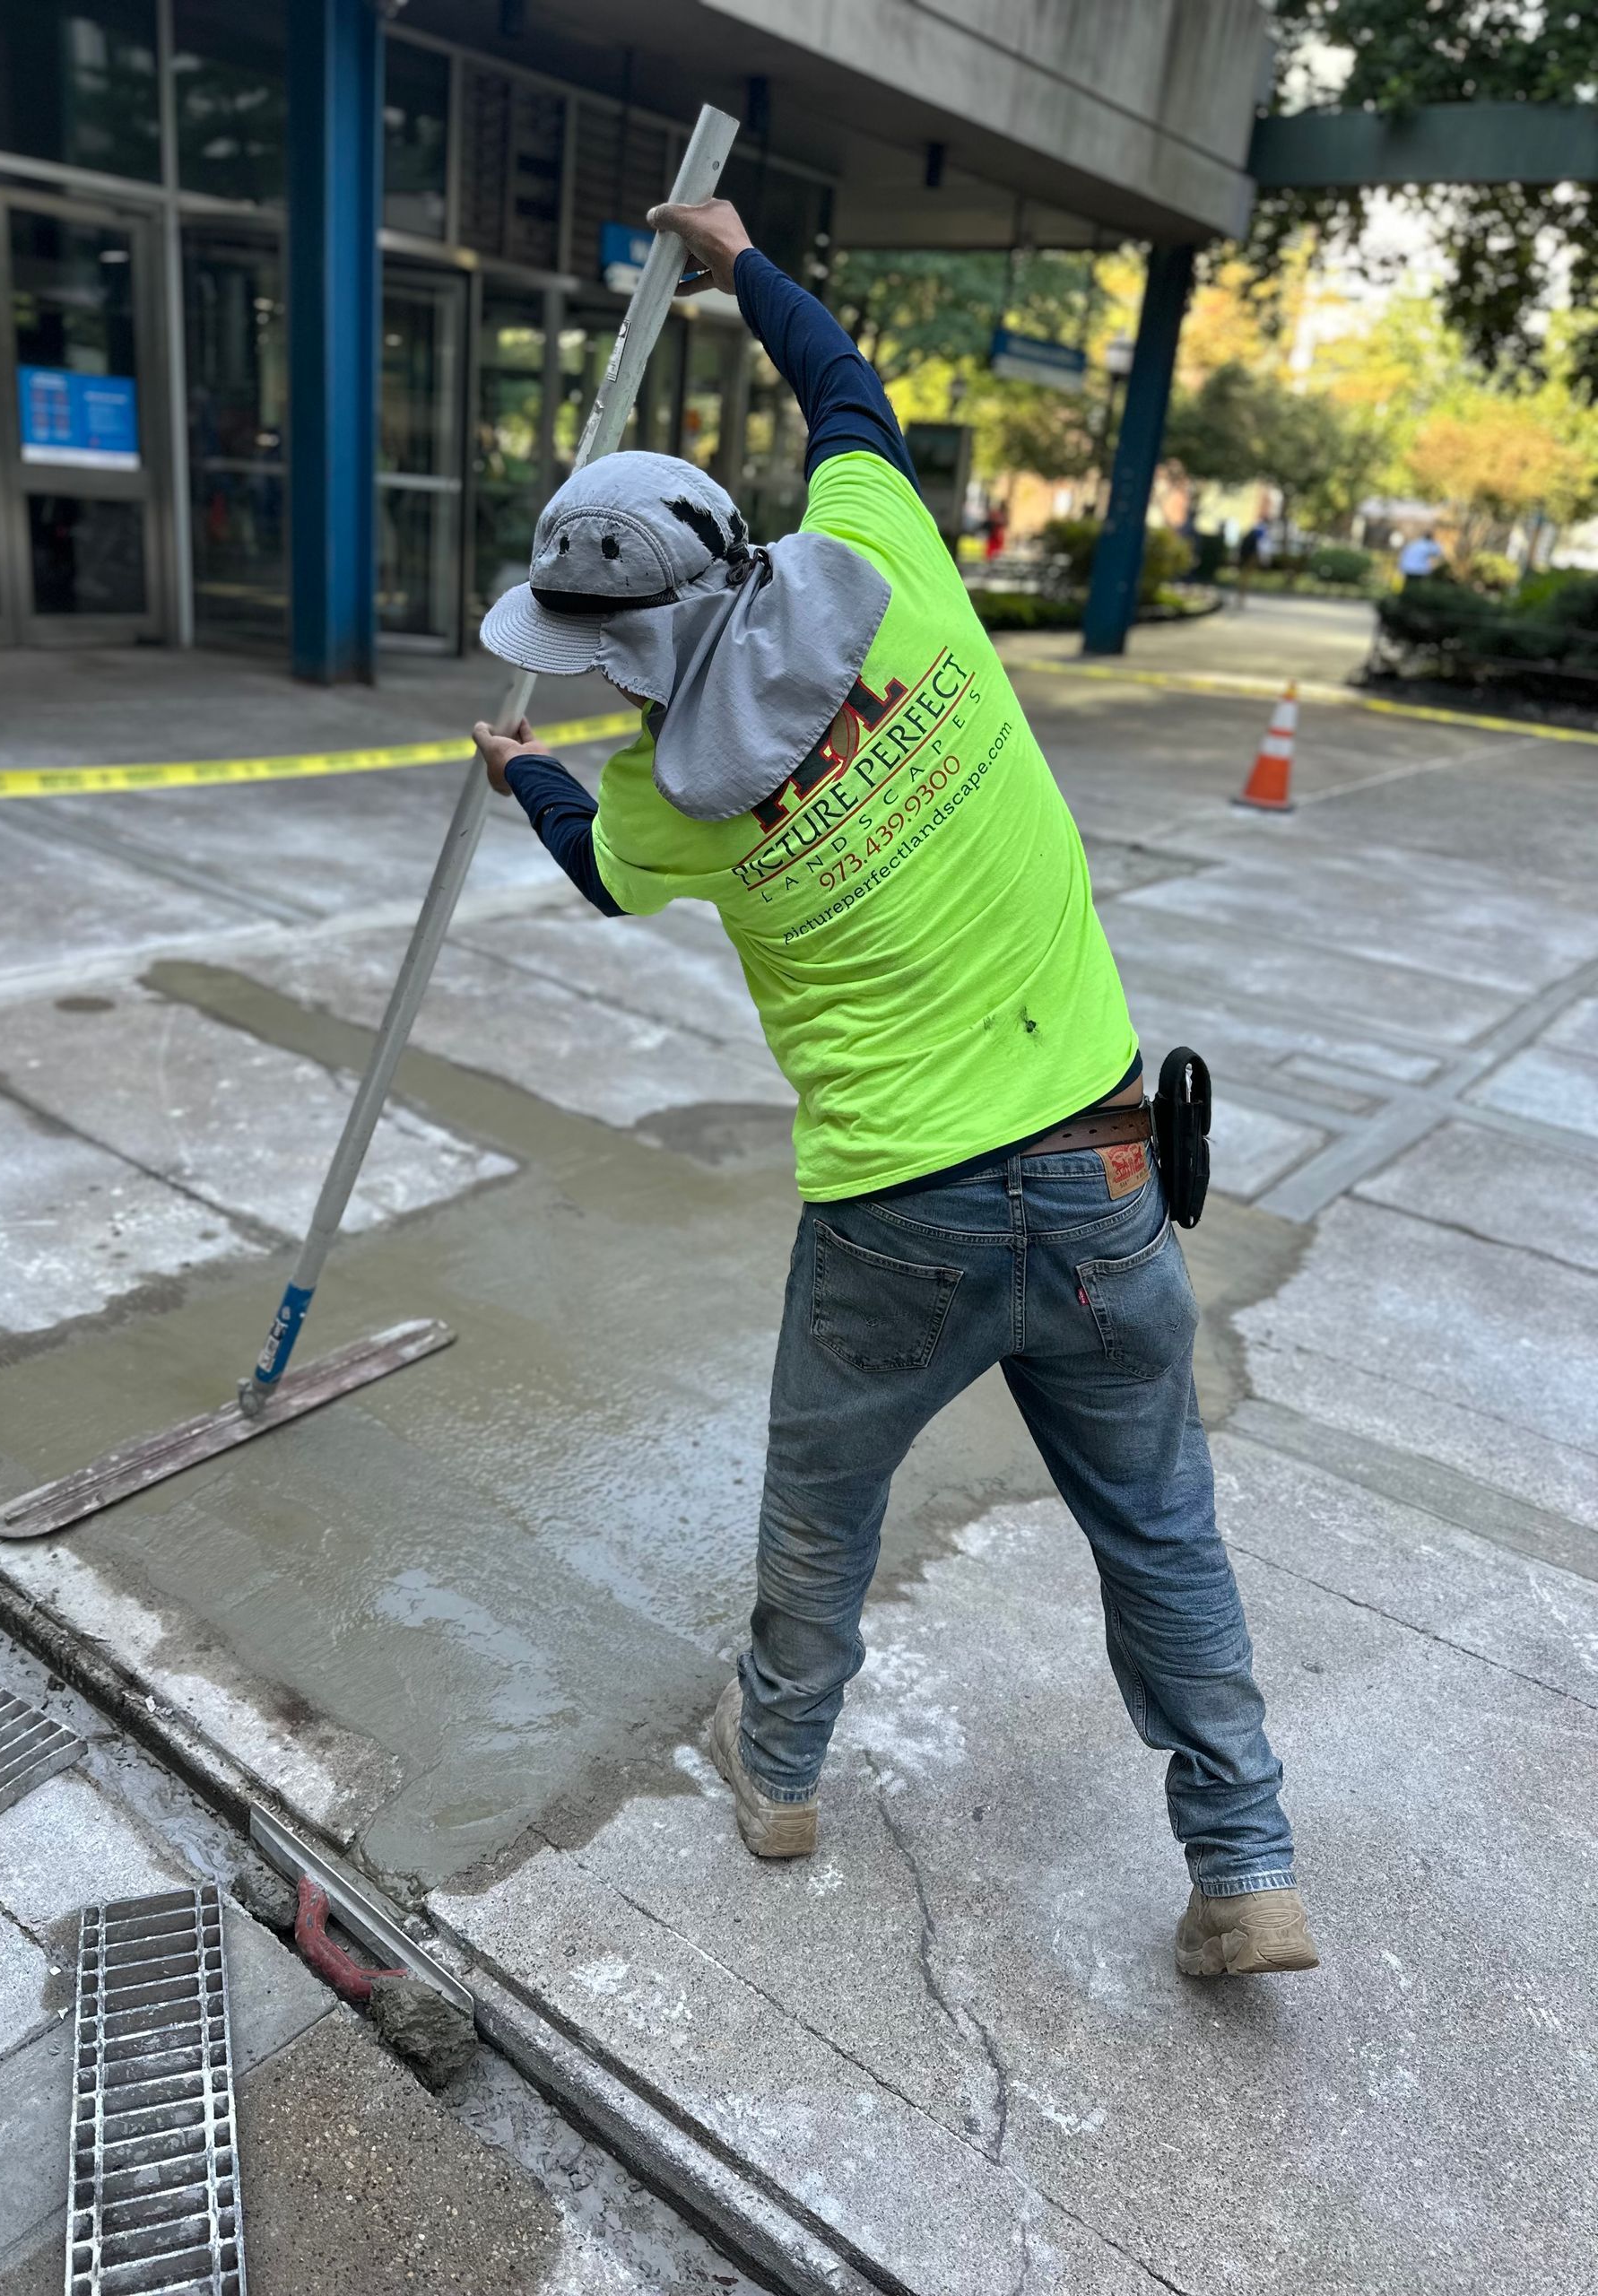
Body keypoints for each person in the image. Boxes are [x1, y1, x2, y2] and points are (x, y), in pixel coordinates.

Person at [470, 199, 1317, 1980]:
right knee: (1162, 1527)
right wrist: (742, 257)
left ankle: (777, 1772)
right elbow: (846, 391)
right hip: (1099, 1170)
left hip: (894, 1216)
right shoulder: (883, 549)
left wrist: (522, 777)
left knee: (821, 1499)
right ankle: (1244, 1857)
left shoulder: (661, 801)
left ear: (619, 648)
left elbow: (601, 874)